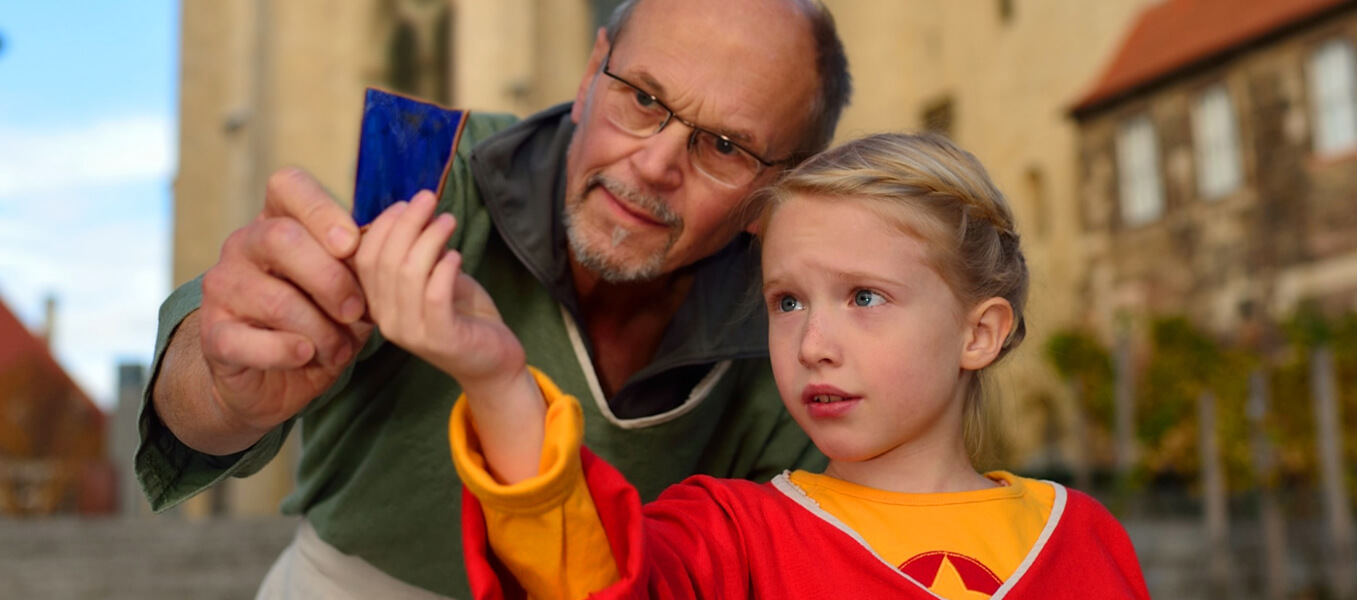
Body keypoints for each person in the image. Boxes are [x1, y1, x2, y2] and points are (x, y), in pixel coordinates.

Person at [136, 0, 851, 597]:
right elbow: (200, 391)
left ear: (780, 190)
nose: (657, 164)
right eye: (641, 98)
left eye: (724, 145)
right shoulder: (436, 171)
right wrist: (225, 386)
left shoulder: (804, 339)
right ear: (586, 76)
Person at [360, 133, 1151, 599]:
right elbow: (590, 576)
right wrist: (499, 382)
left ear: (978, 334)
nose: (813, 344)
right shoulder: (729, 536)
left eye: (865, 298)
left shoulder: (1083, 538)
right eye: (787, 302)